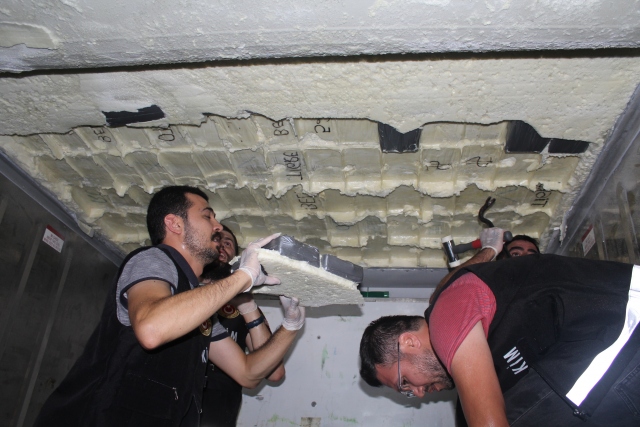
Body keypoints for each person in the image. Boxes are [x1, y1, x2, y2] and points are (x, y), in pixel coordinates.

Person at [35, 185, 305, 427]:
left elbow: (247, 374)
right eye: (207, 216)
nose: (217, 226)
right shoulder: (154, 259)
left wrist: (291, 325)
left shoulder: (196, 303)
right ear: (174, 224)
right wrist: (244, 276)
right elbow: (151, 330)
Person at [360, 229, 640, 426]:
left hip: (620, 328)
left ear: (409, 342)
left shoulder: (445, 318)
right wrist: (490, 250)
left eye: (405, 383)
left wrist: (491, 249)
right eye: (408, 392)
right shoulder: (465, 324)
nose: (418, 393)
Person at [200, 225, 285, 427]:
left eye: (228, 243)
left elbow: (274, 372)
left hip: (218, 412)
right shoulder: (180, 290)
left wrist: (248, 305)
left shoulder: (241, 307)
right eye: (215, 239)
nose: (221, 246)